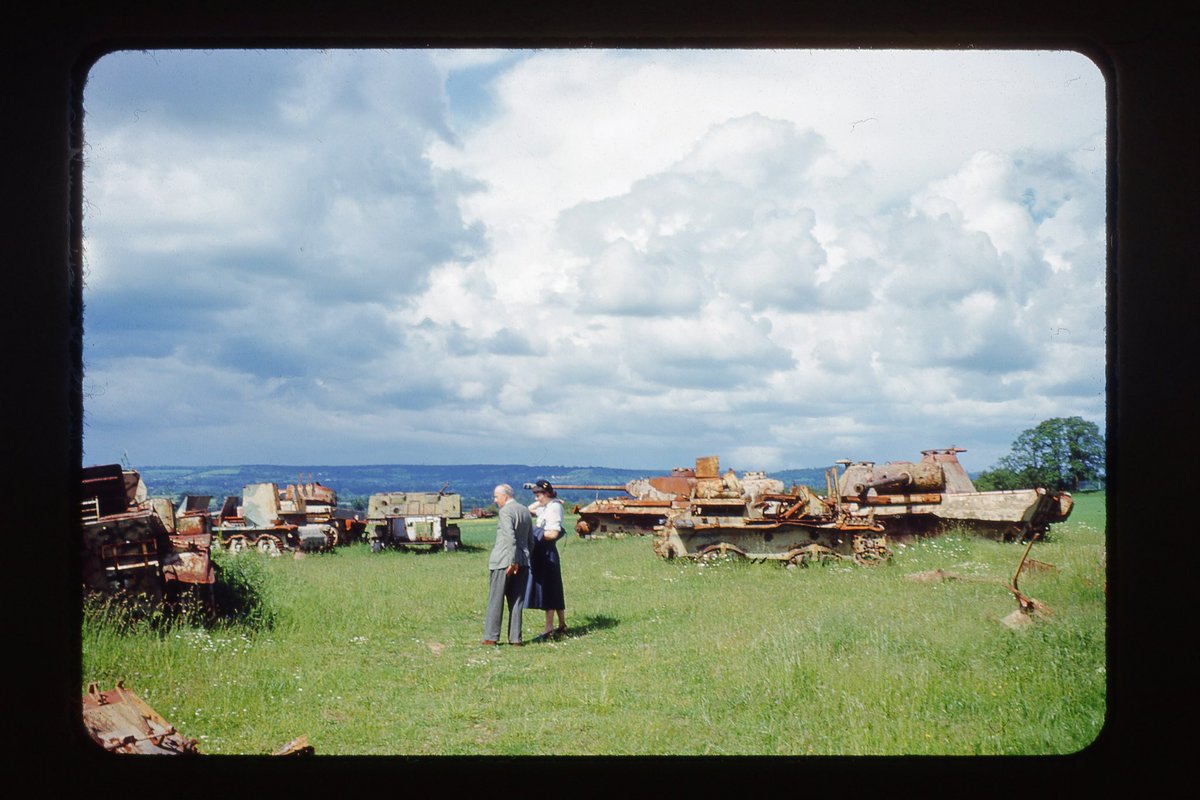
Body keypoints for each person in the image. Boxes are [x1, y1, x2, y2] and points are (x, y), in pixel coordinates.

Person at [482, 483, 532, 646]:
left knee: (496, 600)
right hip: (523, 561)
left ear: (505, 496)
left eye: (496, 497)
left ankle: (491, 637)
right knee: (516, 601)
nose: (495, 500)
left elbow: (510, 538)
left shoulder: (505, 512)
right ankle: (515, 639)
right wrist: (524, 559)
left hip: (504, 561)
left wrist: (512, 561)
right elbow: (531, 540)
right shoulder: (525, 510)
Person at [525, 479, 568, 640]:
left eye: (539, 494)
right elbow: (529, 509)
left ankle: (548, 628)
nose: (537, 498)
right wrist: (546, 501)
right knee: (554, 587)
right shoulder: (549, 506)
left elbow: (553, 533)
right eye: (535, 494)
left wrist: (535, 532)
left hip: (546, 550)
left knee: (548, 589)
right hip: (544, 551)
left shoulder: (554, 508)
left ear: (547, 493)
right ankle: (561, 624)